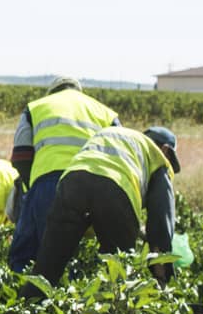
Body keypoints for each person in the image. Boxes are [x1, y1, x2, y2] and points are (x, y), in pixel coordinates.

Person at [27, 125, 182, 291]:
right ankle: (108, 312)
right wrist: (162, 279)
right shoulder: (158, 158)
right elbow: (160, 226)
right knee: (117, 277)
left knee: (46, 271)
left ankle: (28, 309)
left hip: (71, 183)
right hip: (115, 188)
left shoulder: (116, 135)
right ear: (166, 150)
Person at [6, 76, 120, 272]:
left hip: (50, 183)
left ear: (52, 92)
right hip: (98, 188)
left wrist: (33, 189)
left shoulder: (36, 108)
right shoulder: (106, 113)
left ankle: (23, 296)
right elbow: (120, 157)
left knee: (28, 252)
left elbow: (20, 156)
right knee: (91, 263)